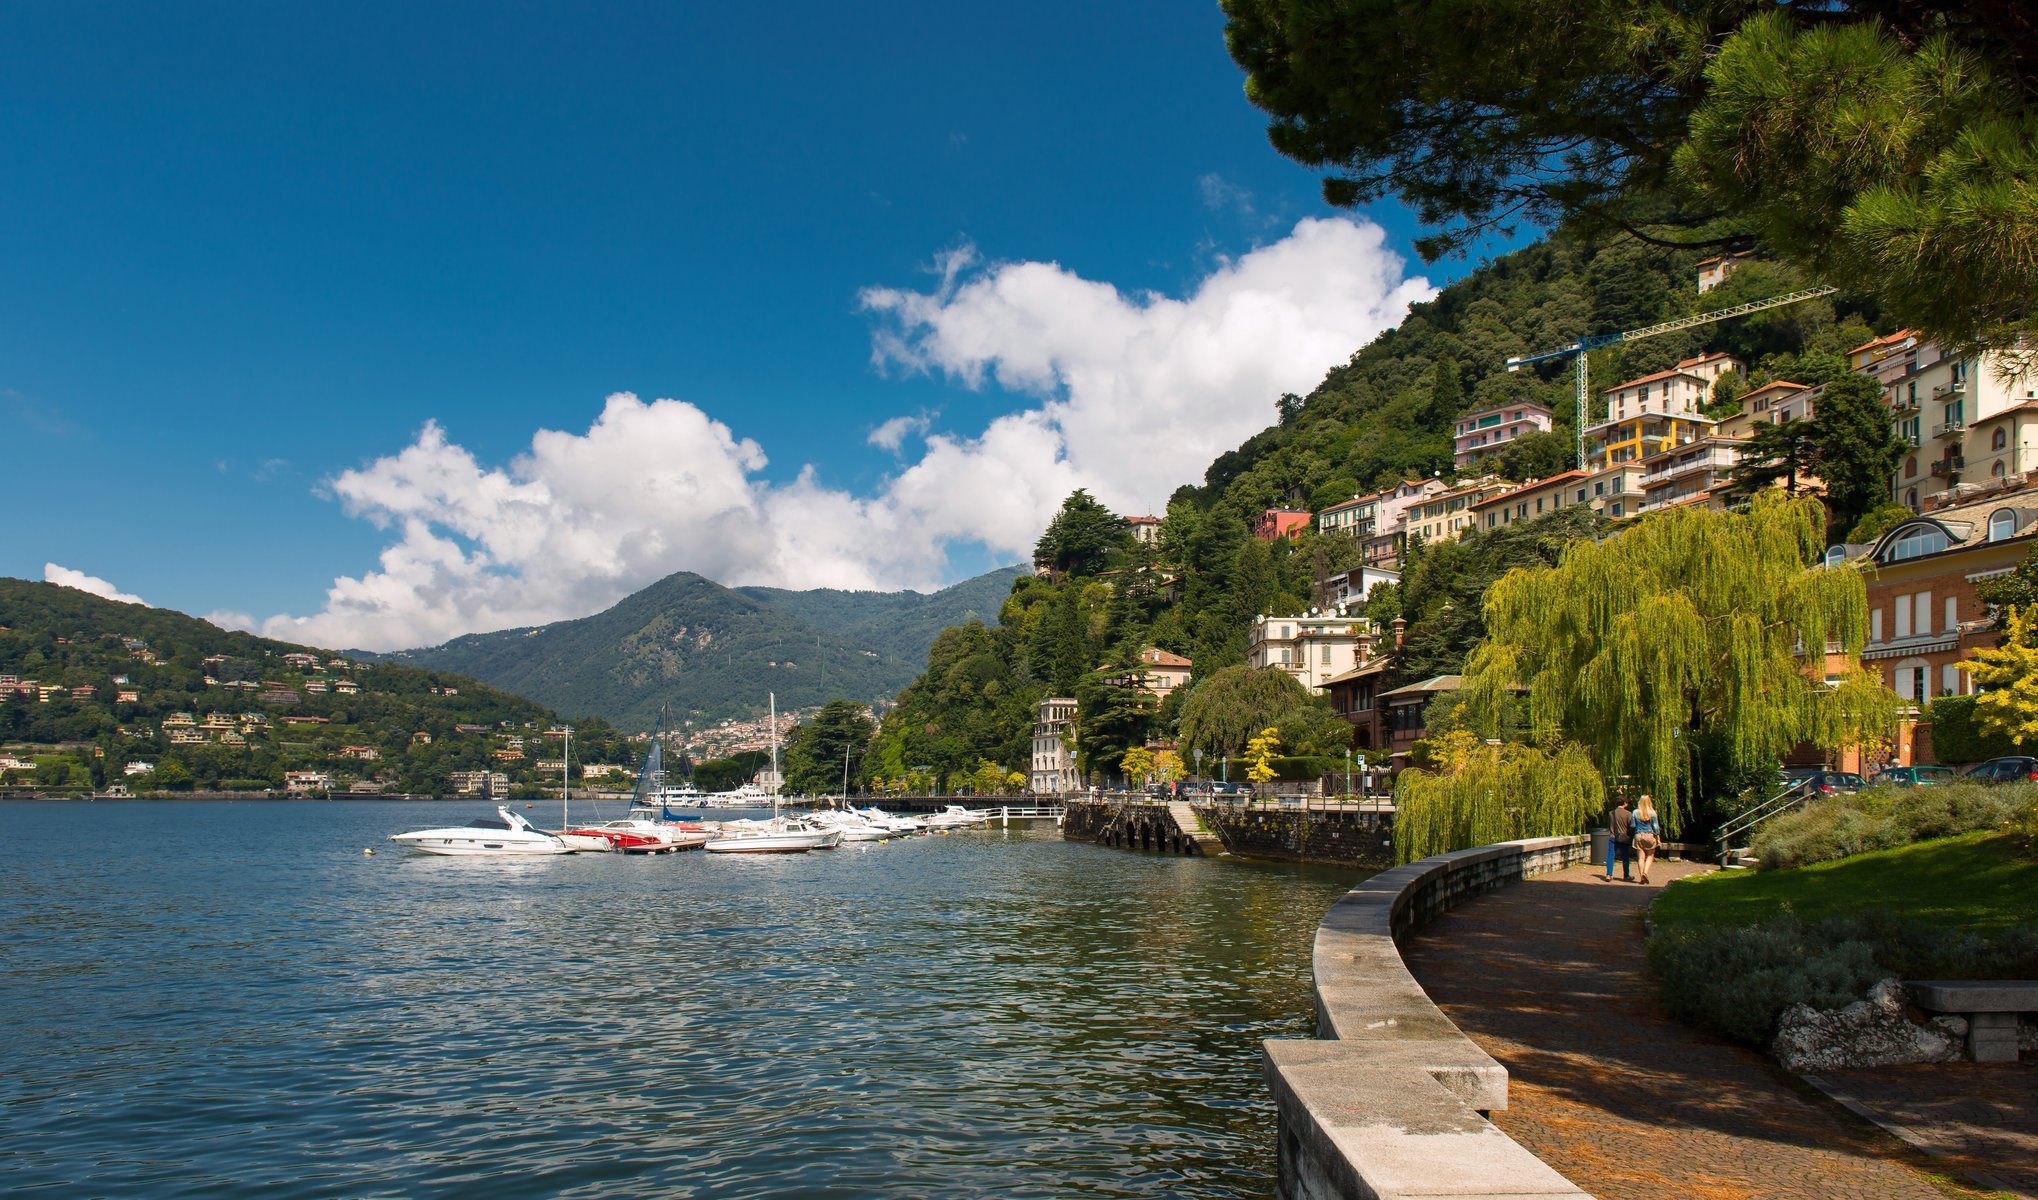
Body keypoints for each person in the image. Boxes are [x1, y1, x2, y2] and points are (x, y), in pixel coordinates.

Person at [1631, 794, 1664, 884]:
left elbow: (1632, 825)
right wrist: (1658, 838)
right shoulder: (1652, 813)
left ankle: (1641, 875)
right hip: (1649, 835)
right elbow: (1655, 827)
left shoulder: (1635, 812)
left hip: (1638, 835)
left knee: (1640, 858)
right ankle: (1645, 872)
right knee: (1650, 855)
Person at [1603, 797, 1633, 881]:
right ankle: (1626, 875)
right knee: (1625, 856)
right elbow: (1630, 827)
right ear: (1625, 803)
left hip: (1613, 836)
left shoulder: (1611, 813)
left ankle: (1609, 874)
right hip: (1624, 837)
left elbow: (1609, 825)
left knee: (1611, 855)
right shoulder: (1628, 814)